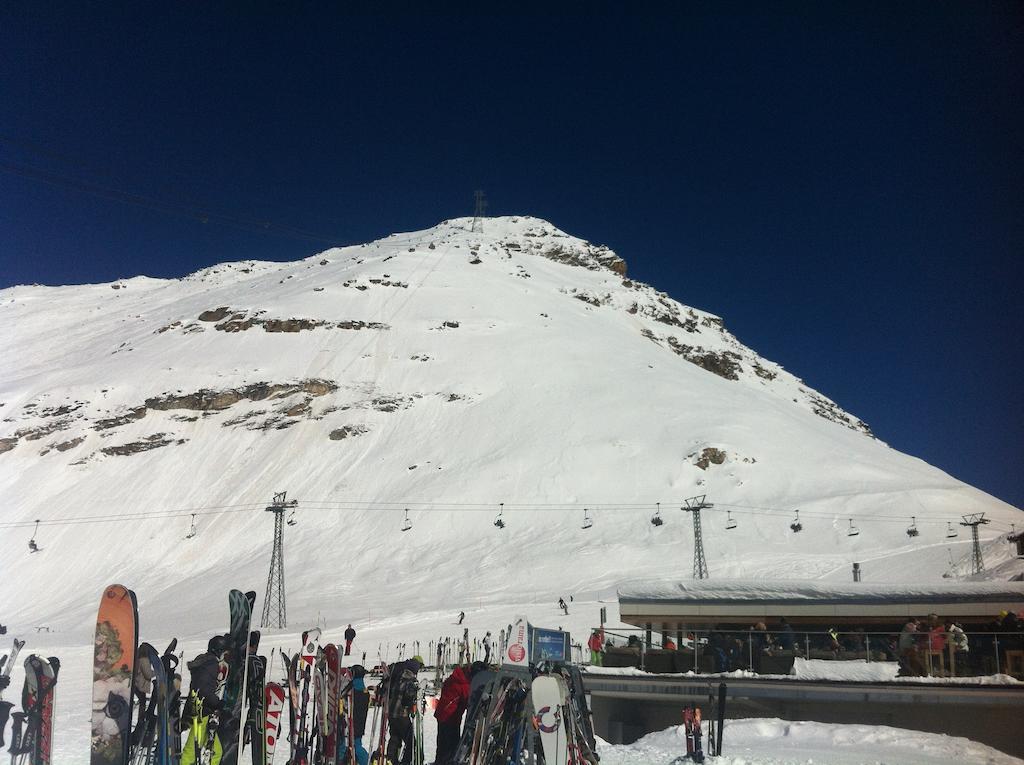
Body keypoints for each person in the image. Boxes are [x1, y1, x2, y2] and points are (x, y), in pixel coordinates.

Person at [181, 635, 228, 765]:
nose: (224, 656)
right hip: (202, 712)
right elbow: (203, 689)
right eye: (224, 652)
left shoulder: (204, 662)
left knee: (216, 751)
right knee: (191, 751)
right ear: (218, 651)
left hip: (201, 710)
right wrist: (217, 703)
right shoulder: (211, 664)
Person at [434, 662, 485, 765]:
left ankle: (439, 762)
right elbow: (469, 702)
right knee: (451, 747)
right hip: (451, 717)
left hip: (442, 714)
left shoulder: (456, 677)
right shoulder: (463, 684)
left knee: (442, 744)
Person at [385, 655, 423, 765]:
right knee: (411, 742)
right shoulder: (410, 681)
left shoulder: (399, 676)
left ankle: (391, 760)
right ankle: (406, 762)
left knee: (395, 738)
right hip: (402, 715)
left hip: (392, 713)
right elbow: (407, 700)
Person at [350, 664, 371, 765]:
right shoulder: (364, 691)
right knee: (356, 744)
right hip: (360, 724)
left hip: (350, 723)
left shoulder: (351, 690)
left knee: (352, 746)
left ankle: (365, 762)